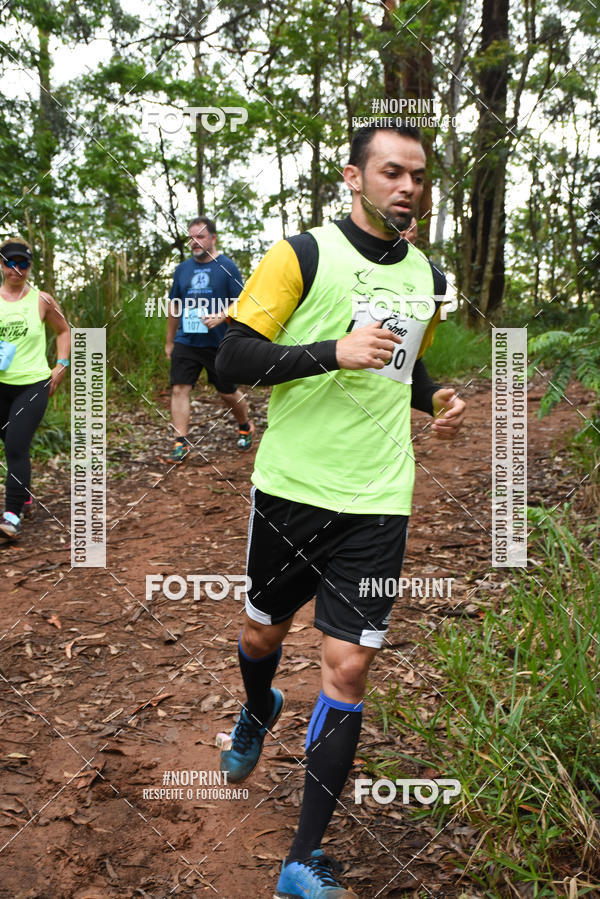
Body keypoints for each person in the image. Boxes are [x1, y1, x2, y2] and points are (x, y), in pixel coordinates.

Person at [214, 124, 466, 898]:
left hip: (379, 496)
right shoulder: (301, 255)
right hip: (292, 487)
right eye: (392, 172)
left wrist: (431, 396)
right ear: (353, 177)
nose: (408, 187)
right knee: (263, 631)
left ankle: (301, 859)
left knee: (349, 665)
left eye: (418, 176)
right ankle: (258, 709)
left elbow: (401, 352)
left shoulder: (428, 272)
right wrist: (330, 349)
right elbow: (231, 358)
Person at [164, 216, 254, 462]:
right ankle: (180, 442)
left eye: (200, 236)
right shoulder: (182, 270)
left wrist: (222, 315)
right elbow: (174, 307)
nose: (195, 241)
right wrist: (170, 341)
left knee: (226, 392)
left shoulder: (227, 267)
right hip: (187, 340)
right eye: (191, 237)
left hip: (219, 342)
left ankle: (245, 425)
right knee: (180, 388)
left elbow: (242, 302)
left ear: (213, 238)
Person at [0, 237, 70, 539]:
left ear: (30, 266)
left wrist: (61, 364)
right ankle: (24, 494)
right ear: (1, 265)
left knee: (16, 446)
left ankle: (12, 515)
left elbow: (63, 330)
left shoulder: (42, 300)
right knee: (8, 443)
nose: (16, 269)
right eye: (10, 263)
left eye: (23, 263)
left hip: (33, 384)